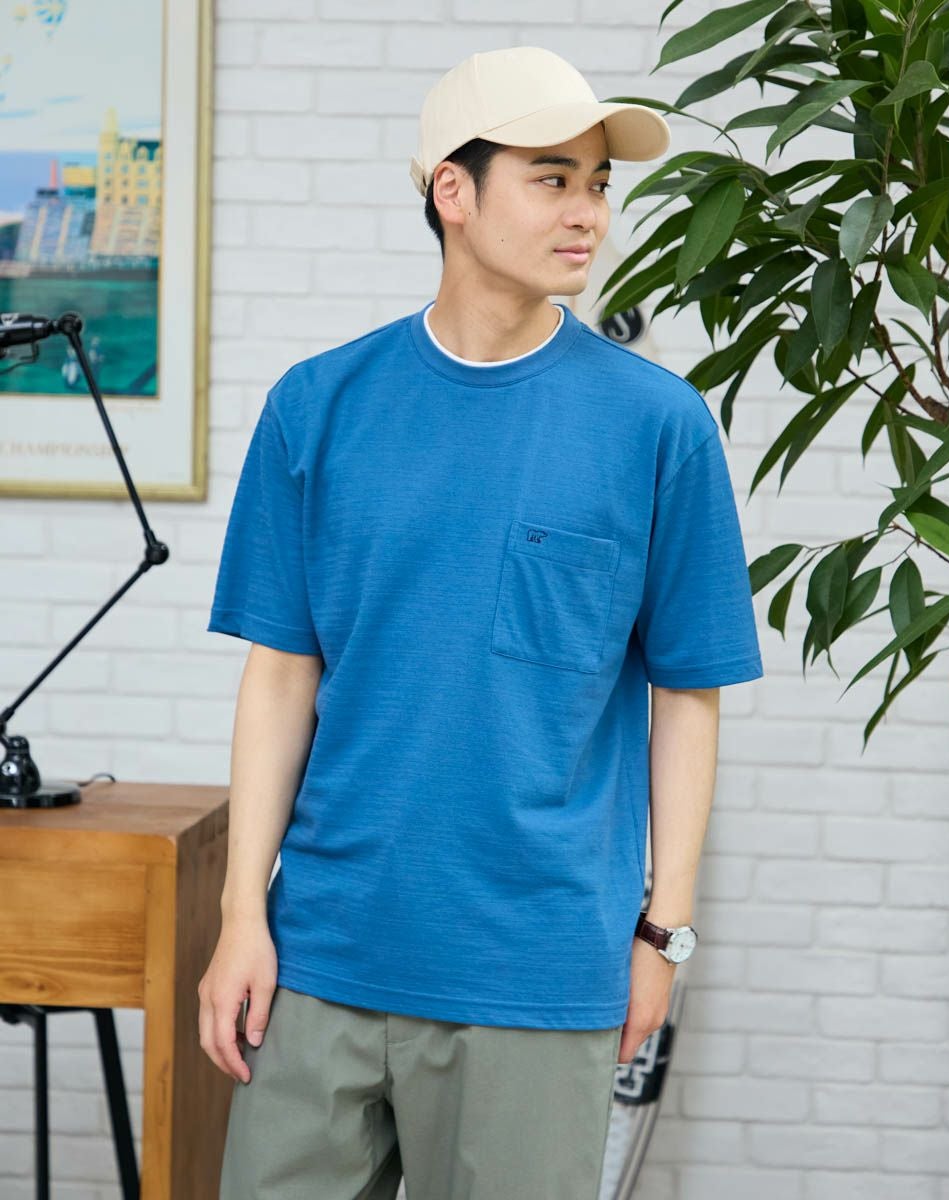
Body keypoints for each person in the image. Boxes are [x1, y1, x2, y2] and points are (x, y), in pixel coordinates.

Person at [198, 44, 763, 1200]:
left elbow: (687, 696)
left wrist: (665, 934)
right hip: (321, 957)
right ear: (452, 191)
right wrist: (240, 914)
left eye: (598, 183)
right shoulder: (318, 405)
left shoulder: (658, 425)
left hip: (536, 974)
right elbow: (281, 676)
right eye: (553, 179)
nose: (588, 213)